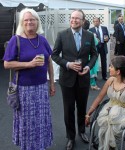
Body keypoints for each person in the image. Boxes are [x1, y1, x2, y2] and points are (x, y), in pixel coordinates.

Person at [3, 8, 55, 150]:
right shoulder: (16, 40)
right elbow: (7, 64)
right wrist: (29, 64)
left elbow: (49, 61)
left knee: (41, 120)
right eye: (26, 20)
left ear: (37, 22)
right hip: (23, 89)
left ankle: (40, 146)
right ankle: (27, 147)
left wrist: (51, 83)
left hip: (41, 88)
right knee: (27, 121)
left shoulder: (42, 40)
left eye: (32, 19)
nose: (29, 22)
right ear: (22, 23)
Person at [52, 9, 98, 150]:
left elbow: (94, 55)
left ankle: (82, 131)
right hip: (67, 80)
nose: (74, 20)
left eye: (77, 18)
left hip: (83, 79)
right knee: (68, 109)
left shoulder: (90, 36)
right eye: (72, 18)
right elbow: (54, 55)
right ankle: (70, 137)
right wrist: (68, 64)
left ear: (83, 20)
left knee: (82, 108)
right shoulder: (62, 35)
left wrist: (88, 68)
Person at [85, 56, 125, 150]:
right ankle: (108, 146)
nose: (109, 68)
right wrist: (88, 114)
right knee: (105, 122)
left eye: (111, 67)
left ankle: (110, 146)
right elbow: (99, 97)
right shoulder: (110, 80)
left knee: (112, 123)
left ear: (118, 71)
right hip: (109, 108)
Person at [82, 19, 100, 90]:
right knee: (91, 69)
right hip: (90, 55)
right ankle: (93, 85)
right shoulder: (90, 34)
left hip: (82, 55)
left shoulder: (80, 34)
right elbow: (96, 43)